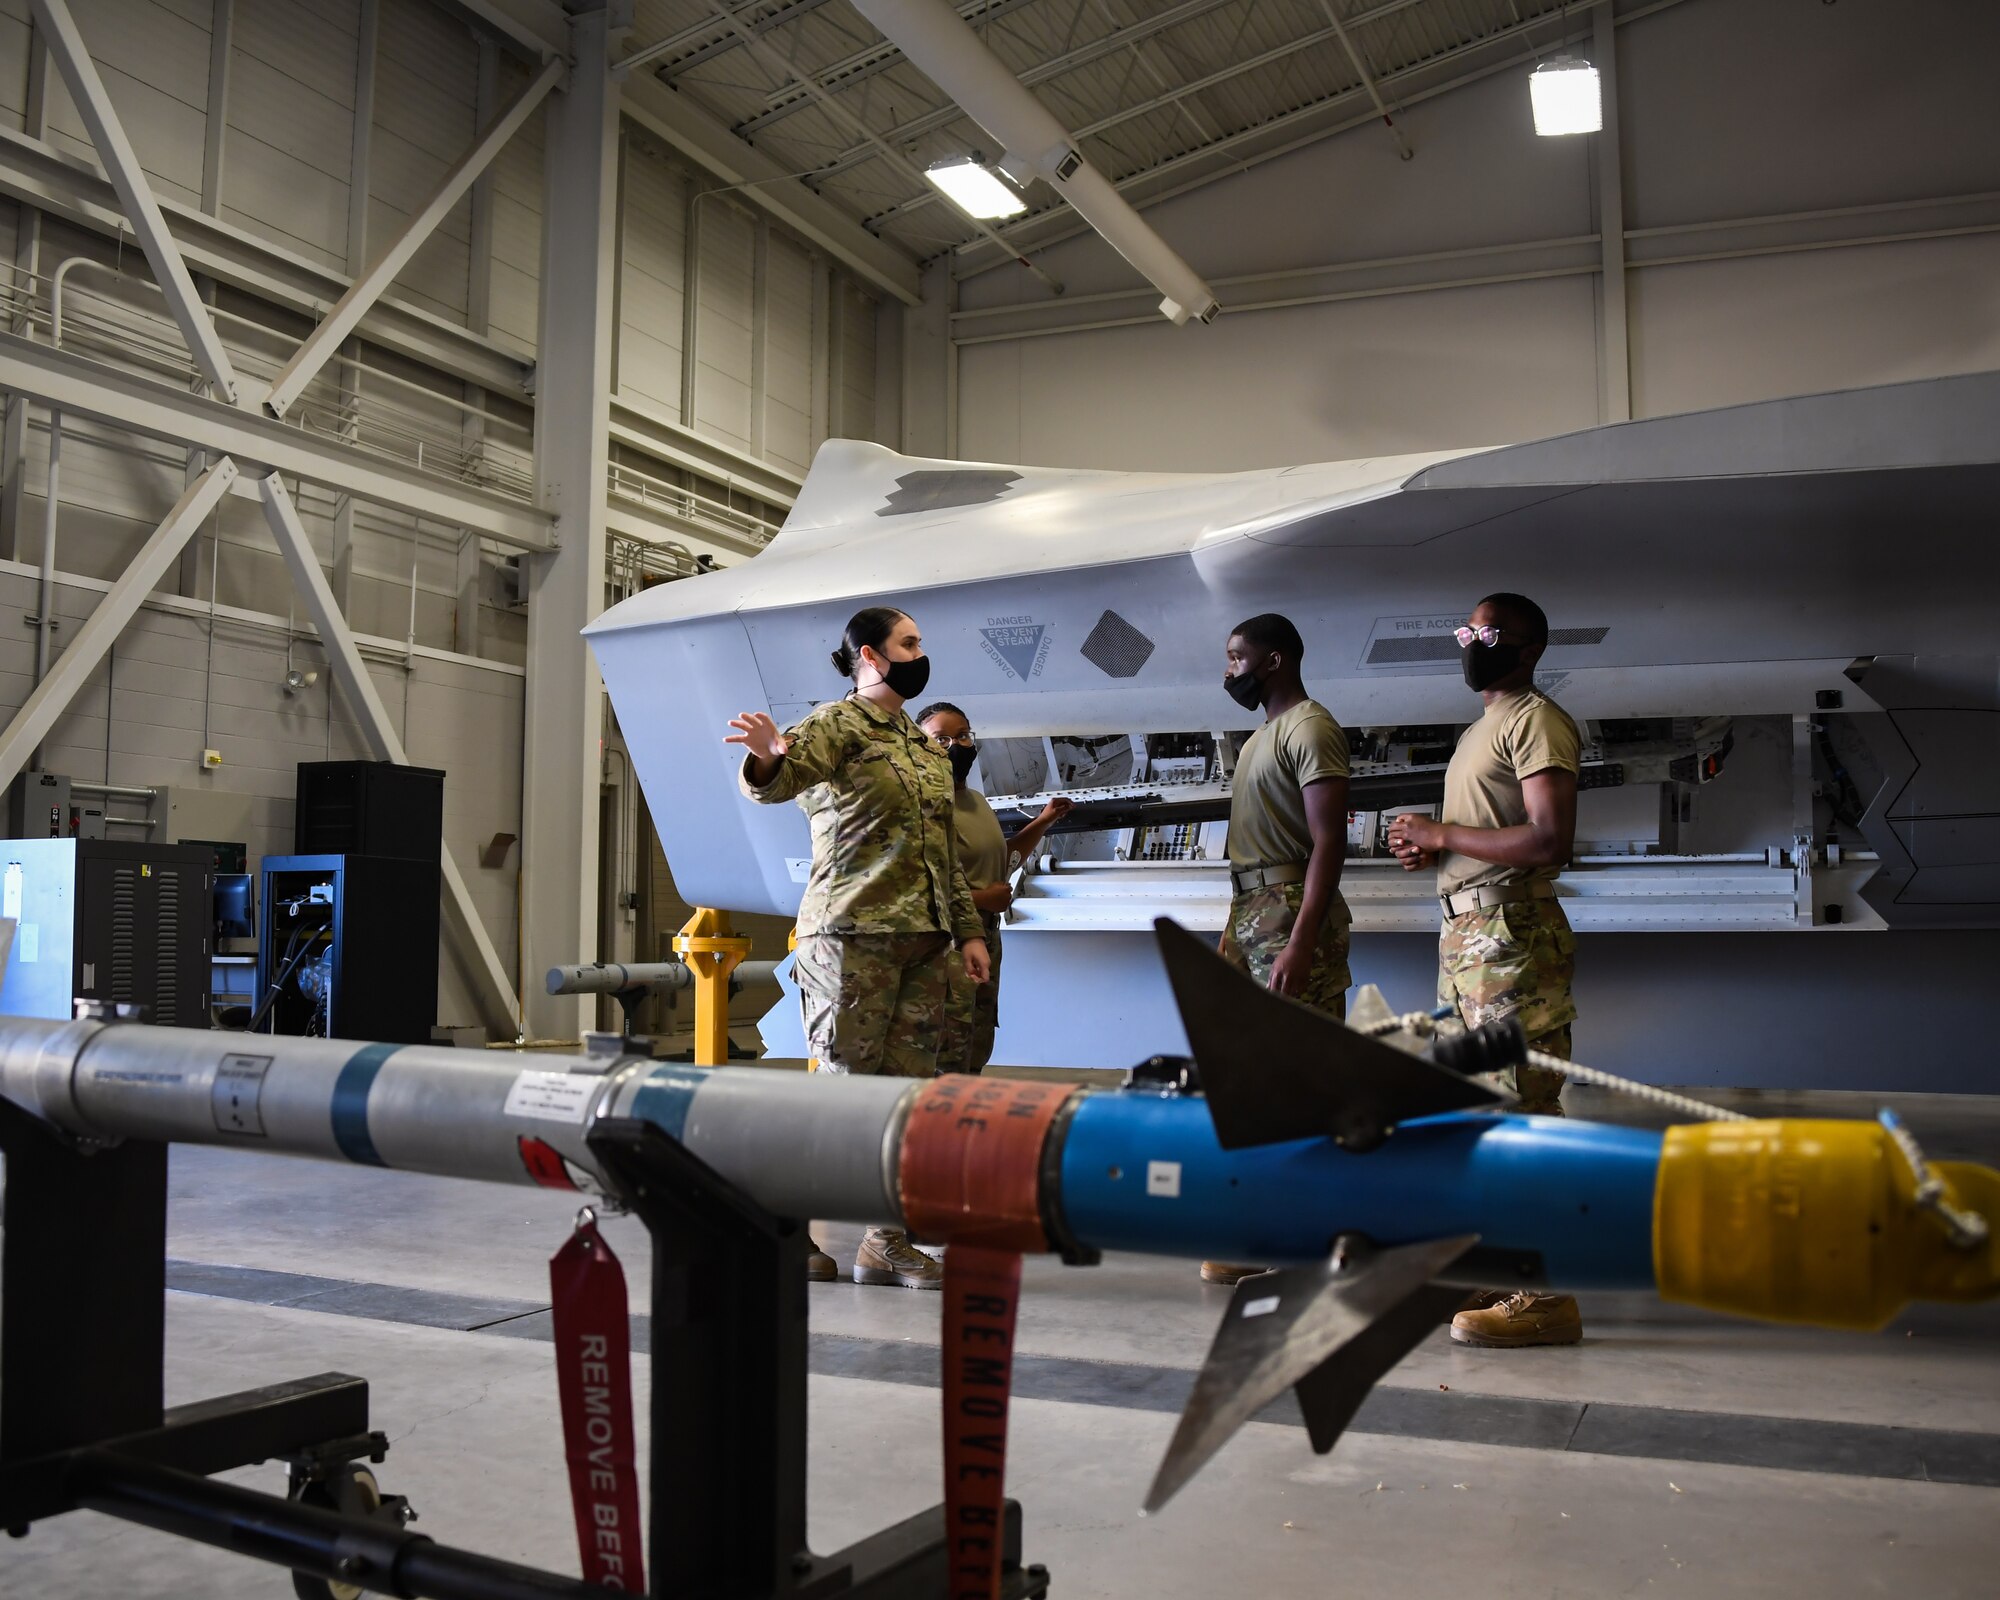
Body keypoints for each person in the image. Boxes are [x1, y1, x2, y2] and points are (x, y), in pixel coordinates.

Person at [728, 606, 990, 1292]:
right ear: (871, 656)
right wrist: (764, 753)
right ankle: (791, 1230)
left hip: (922, 942)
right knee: (842, 1096)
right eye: (910, 643)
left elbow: (941, 852)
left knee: (904, 1097)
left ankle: (884, 1242)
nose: (921, 651)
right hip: (850, 936)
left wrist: (965, 931)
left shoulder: (919, 742)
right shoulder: (835, 725)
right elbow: (778, 781)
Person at [1387, 592, 1583, 1349]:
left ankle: (1548, 1294)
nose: (1472, 641)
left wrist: (1441, 831)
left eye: (1488, 631)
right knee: (1474, 1112)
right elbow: (1487, 835)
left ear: (1529, 647)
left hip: (1509, 933)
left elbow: (1546, 840)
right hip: (1469, 937)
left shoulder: (1536, 719)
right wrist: (1434, 849)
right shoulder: (1484, 730)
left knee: (1521, 1110)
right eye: (1465, 629)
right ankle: (1499, 1267)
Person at [1203, 612, 1353, 1288]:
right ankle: (1261, 1227)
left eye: (1238, 657)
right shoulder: (1263, 736)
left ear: (1274, 660)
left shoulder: (1310, 728)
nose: (1229, 669)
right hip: (1252, 909)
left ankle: (1308, 1237)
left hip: (1288, 912)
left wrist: (1301, 940)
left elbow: (1328, 843)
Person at [915, 702, 1074, 1074]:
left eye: (962, 735)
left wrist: (1044, 821)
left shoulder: (974, 801)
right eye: (940, 739)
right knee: (946, 1052)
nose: (955, 745)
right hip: (948, 946)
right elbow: (913, 891)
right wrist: (983, 898)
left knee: (976, 1042)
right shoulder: (924, 808)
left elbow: (1002, 859)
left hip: (985, 938)